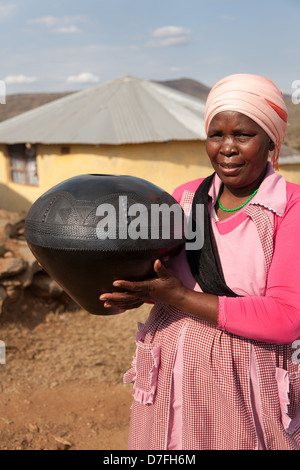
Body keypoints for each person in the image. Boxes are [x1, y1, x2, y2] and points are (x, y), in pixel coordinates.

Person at [100, 73, 300, 450]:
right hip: (171, 373)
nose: (227, 148)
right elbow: (169, 277)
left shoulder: (289, 208)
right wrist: (139, 293)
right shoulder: (186, 198)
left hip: (242, 383)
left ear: (271, 140)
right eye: (216, 135)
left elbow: (287, 317)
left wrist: (177, 298)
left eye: (243, 135)